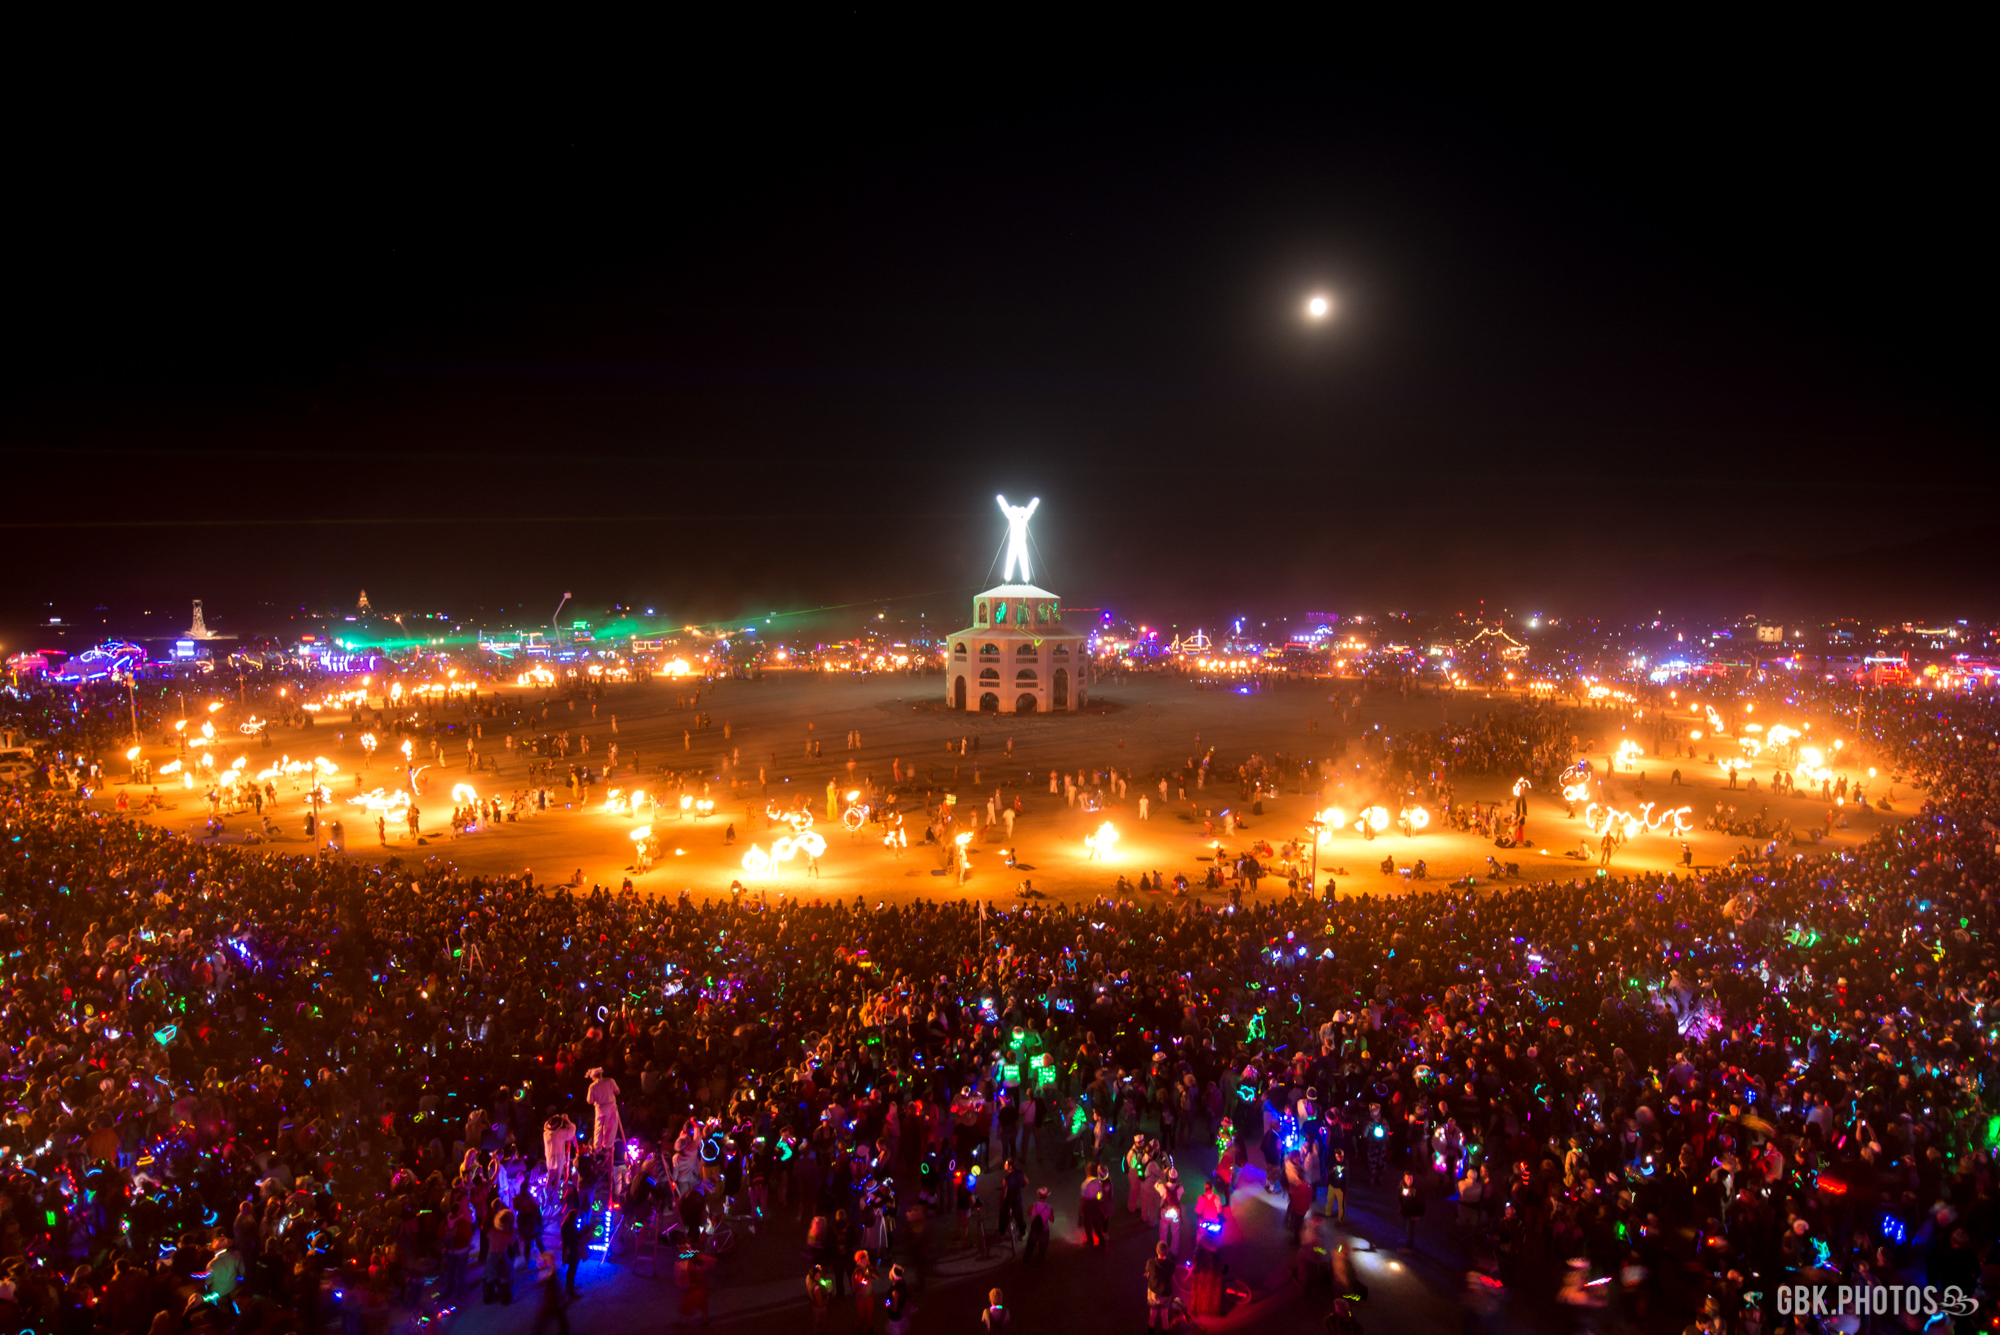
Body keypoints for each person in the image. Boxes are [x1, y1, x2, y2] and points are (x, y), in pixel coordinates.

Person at [1145, 1241, 1176, 1330]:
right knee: (1164, 1316)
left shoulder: (1151, 1263)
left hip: (1154, 1293)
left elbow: (1148, 1274)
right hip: (1166, 1293)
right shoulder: (1171, 1265)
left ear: (1156, 1251)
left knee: (1153, 1315)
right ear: (1167, 1251)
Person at [1398, 1171, 1425, 1250]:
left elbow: (1422, 1202)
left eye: (1411, 1179)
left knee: (1410, 1230)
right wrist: (1400, 1208)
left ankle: (1409, 1248)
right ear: (1404, 1178)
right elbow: (1400, 1197)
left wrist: (1418, 1214)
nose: (1409, 1181)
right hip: (1405, 1211)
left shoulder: (1416, 1189)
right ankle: (1407, 1241)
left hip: (1412, 1212)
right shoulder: (1402, 1185)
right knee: (1405, 1227)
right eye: (1408, 1179)